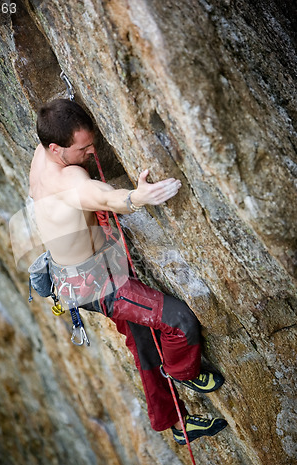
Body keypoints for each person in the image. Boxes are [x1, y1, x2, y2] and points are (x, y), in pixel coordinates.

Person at [29, 98, 227, 444]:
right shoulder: (68, 180)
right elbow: (103, 197)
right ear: (56, 148)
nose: (92, 152)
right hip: (102, 287)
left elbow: (58, 127)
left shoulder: (42, 152)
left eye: (92, 143)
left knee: (143, 344)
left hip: (75, 279)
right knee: (178, 322)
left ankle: (177, 425)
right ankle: (183, 372)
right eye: (84, 147)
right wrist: (137, 197)